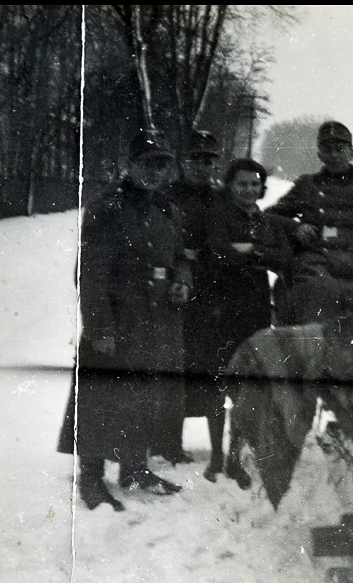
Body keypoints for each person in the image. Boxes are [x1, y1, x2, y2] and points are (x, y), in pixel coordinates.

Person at [57, 130, 190, 510]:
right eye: (147, 164)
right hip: (119, 318)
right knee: (101, 398)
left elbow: (182, 256)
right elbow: (89, 272)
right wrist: (100, 327)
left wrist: (182, 279)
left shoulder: (167, 207)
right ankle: (91, 479)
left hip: (157, 319)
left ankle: (135, 468)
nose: (155, 172)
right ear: (129, 165)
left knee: (143, 395)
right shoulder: (108, 207)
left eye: (162, 164)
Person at [203, 159, 296, 484]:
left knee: (248, 385)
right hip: (220, 308)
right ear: (230, 186)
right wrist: (258, 256)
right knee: (218, 381)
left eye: (255, 184)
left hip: (255, 308)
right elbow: (217, 252)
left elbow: (283, 256)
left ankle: (233, 457)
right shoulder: (218, 215)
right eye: (242, 184)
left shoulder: (265, 220)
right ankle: (215, 455)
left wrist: (249, 251)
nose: (248, 190)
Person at [270, 120, 353, 324]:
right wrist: (296, 227)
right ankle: (317, 352)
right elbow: (272, 215)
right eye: (327, 150)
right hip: (318, 259)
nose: (334, 155)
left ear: (351, 153)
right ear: (319, 154)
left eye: (340, 149)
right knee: (317, 291)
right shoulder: (307, 185)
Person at [155, 129, 224, 465]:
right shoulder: (166, 196)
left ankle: (216, 449)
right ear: (183, 162)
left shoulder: (222, 198)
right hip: (174, 286)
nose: (201, 165)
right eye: (195, 159)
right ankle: (166, 441)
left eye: (208, 160)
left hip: (211, 291)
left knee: (207, 365)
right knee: (172, 366)